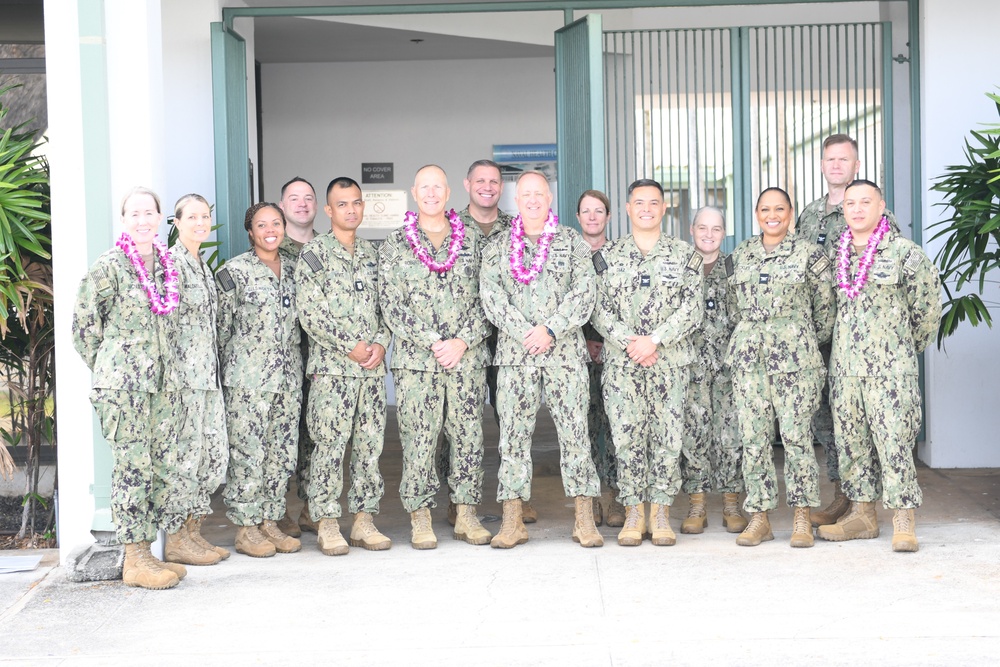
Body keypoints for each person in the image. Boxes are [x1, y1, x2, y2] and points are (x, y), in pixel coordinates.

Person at [479, 170, 603, 549]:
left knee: (575, 436)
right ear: (517, 200)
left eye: (540, 194)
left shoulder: (572, 243)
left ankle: (584, 518)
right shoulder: (498, 247)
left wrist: (549, 330)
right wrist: (524, 331)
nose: (533, 199)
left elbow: (584, 294)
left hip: (564, 353)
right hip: (516, 357)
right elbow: (491, 296)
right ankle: (513, 519)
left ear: (550, 199)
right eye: (526, 194)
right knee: (513, 439)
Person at [72, 186, 188, 589]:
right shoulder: (109, 266)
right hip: (124, 387)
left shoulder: (169, 266)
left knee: (159, 467)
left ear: (160, 219)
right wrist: (113, 368)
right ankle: (134, 560)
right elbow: (84, 328)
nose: (142, 220)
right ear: (124, 221)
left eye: (148, 213)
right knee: (132, 468)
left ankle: (148, 556)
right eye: (133, 214)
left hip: (161, 387)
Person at [817, 180, 941, 552]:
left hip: (890, 372)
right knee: (852, 444)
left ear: (881, 205)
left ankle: (903, 519)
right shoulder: (836, 258)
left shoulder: (905, 254)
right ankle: (862, 515)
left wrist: (901, 350)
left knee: (894, 443)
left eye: (865, 202)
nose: (856, 209)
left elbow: (928, 312)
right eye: (850, 203)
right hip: (846, 371)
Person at [379, 165, 492, 548]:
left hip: (466, 359)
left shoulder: (473, 242)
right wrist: (433, 341)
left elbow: (488, 299)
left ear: (448, 193)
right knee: (419, 440)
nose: (431, 193)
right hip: (417, 363)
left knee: (468, 437)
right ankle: (421, 516)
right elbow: (391, 304)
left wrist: (461, 341)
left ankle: (466, 514)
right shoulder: (396, 243)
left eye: (437, 187)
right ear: (414, 192)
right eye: (424, 187)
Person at [591, 179, 705, 546]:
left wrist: (654, 340)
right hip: (623, 366)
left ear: (664, 208)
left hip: (668, 363)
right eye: (638, 202)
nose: (646, 208)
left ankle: (660, 512)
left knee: (668, 439)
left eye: (653, 202)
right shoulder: (607, 256)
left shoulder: (685, 255)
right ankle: (633, 512)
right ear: (627, 209)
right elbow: (597, 309)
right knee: (626, 438)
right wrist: (630, 343)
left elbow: (693, 308)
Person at [795, 135, 899, 527]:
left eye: (844, 159)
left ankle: (864, 503)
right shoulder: (807, 216)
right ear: (822, 165)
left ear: (857, 165)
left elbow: (896, 277)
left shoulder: (872, 212)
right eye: (830, 159)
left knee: (864, 420)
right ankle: (843, 493)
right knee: (826, 419)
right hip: (818, 339)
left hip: (862, 340)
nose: (836, 165)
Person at [726, 187, 835, 548]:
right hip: (749, 361)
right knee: (754, 439)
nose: (772, 215)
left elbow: (826, 311)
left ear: (790, 214)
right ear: (756, 214)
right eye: (765, 209)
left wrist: (796, 336)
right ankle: (760, 517)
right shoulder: (740, 253)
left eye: (779, 209)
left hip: (796, 363)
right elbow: (732, 307)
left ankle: (802, 516)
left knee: (797, 438)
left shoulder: (810, 254)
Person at [294, 177, 392, 555]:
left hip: (370, 371)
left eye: (356, 203)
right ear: (328, 211)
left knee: (370, 447)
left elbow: (388, 306)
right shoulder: (314, 255)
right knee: (330, 447)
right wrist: (349, 345)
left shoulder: (373, 254)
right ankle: (328, 522)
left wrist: (382, 342)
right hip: (332, 371)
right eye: (343, 204)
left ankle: (364, 522)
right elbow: (311, 313)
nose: (351, 210)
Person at [216, 202, 304, 558]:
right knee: (248, 454)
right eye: (262, 225)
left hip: (288, 379)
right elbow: (220, 330)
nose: (270, 230)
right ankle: (246, 527)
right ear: (250, 232)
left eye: (276, 223)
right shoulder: (233, 272)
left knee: (281, 454)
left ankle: (270, 520)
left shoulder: (298, 269)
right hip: (248, 380)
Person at [161, 194, 230, 568]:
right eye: (192, 217)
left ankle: (193, 530)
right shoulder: (171, 264)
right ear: (176, 222)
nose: (200, 223)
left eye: (205, 216)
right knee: (184, 459)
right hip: (184, 380)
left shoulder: (201, 266)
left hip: (208, 377)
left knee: (210, 457)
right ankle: (176, 538)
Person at [679, 206, 747, 534]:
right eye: (702, 227)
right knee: (693, 435)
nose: (709, 234)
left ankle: (732, 502)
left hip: (727, 369)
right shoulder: (679, 268)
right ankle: (697, 504)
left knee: (730, 435)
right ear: (691, 230)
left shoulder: (735, 268)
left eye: (716, 228)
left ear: (724, 233)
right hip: (689, 368)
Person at [576, 189, 625, 528]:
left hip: (614, 352)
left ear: (608, 217)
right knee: (583, 426)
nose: (592, 217)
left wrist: (606, 342)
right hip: (576, 355)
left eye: (599, 211)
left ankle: (615, 496)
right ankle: (590, 497)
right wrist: (584, 343)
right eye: (586, 211)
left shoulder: (621, 255)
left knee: (615, 425)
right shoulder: (567, 253)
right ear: (578, 217)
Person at [275, 176, 318, 537]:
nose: (302, 204)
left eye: (308, 198)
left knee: (317, 437)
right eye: (294, 198)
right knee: (281, 439)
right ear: (282, 204)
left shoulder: (328, 247)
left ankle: (311, 507)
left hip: (322, 363)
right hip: (282, 364)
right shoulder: (271, 247)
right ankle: (277, 511)